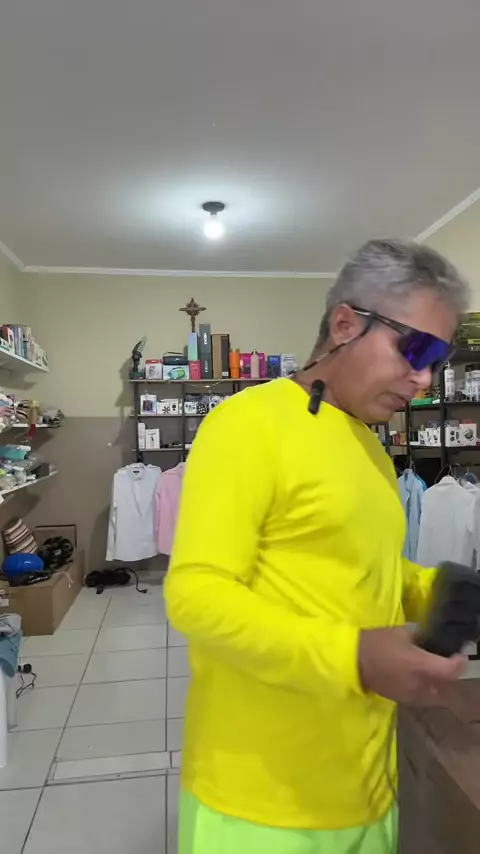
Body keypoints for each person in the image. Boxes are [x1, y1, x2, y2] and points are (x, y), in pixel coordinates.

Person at [165, 238, 469, 854]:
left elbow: (360, 567)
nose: (424, 378)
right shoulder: (248, 424)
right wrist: (353, 656)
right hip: (262, 804)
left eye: (439, 361)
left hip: (366, 786)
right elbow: (196, 595)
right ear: (345, 325)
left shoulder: (369, 447)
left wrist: (437, 590)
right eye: (416, 350)